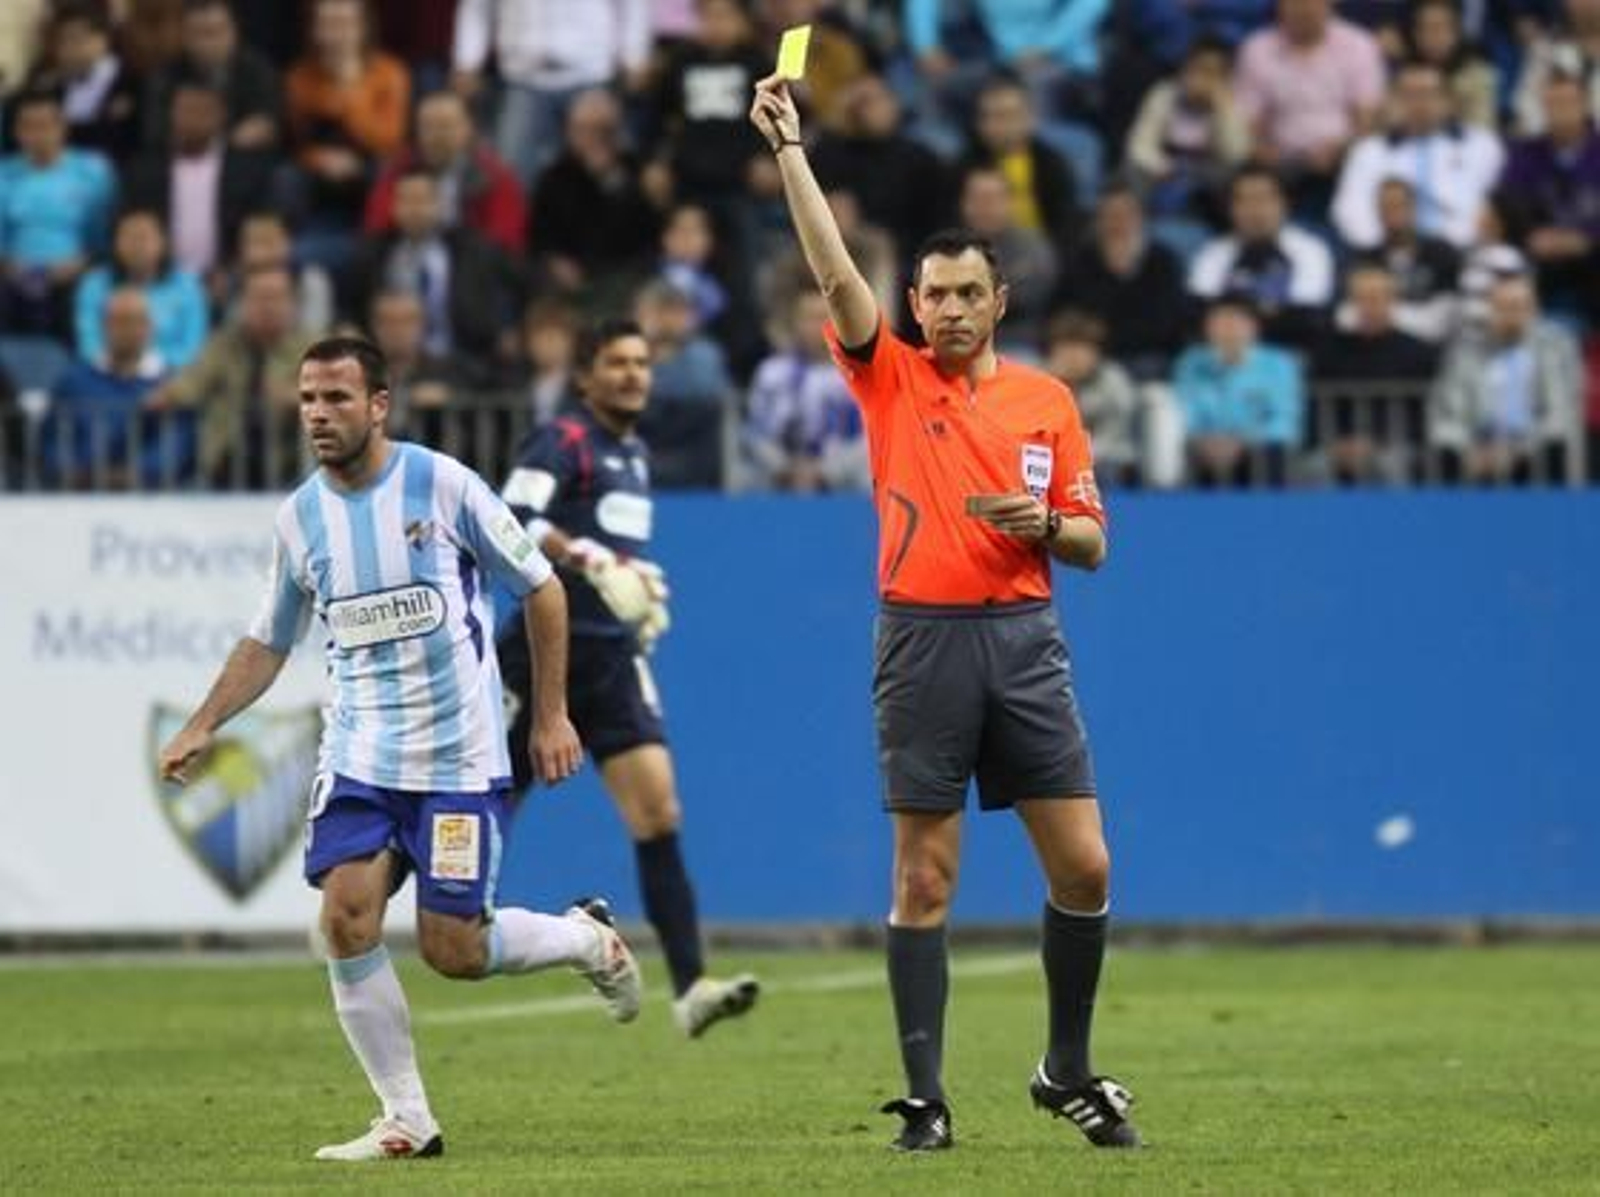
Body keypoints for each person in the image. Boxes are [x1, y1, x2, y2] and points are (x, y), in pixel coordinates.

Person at [750, 72, 1142, 1153]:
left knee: (1087, 866)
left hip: (1023, 637)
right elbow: (833, 269)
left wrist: (1042, 528)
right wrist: (791, 149)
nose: (951, 310)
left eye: (969, 292)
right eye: (934, 295)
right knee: (923, 874)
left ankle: (1065, 1066)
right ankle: (925, 1102)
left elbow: (1093, 541)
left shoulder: (1045, 403)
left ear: (998, 300)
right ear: (913, 306)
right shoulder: (892, 378)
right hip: (922, 637)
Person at [155, 334, 642, 1162]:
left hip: (458, 758)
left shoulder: (441, 484)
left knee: (455, 949)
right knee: (345, 918)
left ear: (379, 404)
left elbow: (545, 588)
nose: (318, 412)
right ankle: (406, 1118)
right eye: (308, 397)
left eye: (337, 397)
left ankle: (586, 937)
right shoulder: (300, 517)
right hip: (361, 756)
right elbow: (268, 640)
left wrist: (550, 715)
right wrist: (206, 721)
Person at [497, 317, 761, 1038]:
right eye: (616, 363)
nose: (633, 375)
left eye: (642, 363)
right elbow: (511, 515)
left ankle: (690, 986)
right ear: (585, 376)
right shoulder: (563, 439)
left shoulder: (634, 452)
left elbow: (610, 553)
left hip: (612, 658)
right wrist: (587, 556)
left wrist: (629, 572)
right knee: (487, 805)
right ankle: (378, 902)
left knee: (659, 812)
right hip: (537, 653)